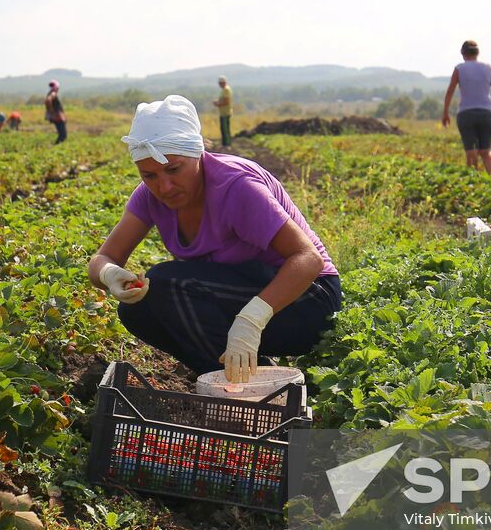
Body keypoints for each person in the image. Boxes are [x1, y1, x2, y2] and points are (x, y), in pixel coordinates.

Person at [87, 95, 342, 383]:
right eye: (149, 175)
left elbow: (308, 260)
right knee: (137, 309)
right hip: (247, 289)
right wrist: (109, 274)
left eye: (173, 169)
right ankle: (242, 378)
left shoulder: (236, 186)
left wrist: (250, 321)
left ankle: (248, 387)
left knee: (165, 283)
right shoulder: (149, 197)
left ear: (197, 153)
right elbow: (101, 259)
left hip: (307, 300)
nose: (164, 186)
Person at [441, 40, 491, 174]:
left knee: (471, 151)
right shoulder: (488, 68)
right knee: (486, 151)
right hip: (486, 113)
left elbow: (450, 91)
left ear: (463, 54)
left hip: (466, 114)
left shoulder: (459, 69)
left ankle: (473, 182)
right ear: (477, 53)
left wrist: (445, 112)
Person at [213, 76, 234, 147]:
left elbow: (227, 101)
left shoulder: (226, 90)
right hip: (223, 113)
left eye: (220, 83)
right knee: (223, 128)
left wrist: (218, 104)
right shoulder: (224, 90)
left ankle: (227, 144)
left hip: (225, 112)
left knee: (225, 129)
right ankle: (225, 144)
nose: (219, 84)